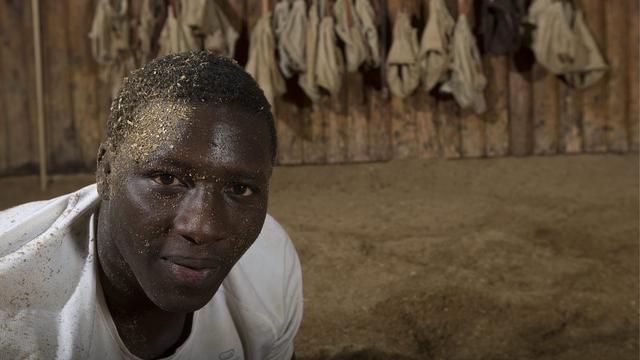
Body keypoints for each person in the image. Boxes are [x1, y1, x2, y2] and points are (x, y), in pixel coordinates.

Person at [0, 51, 303, 360]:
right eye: (167, 179)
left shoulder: (269, 265)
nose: (202, 227)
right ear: (106, 172)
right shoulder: (10, 303)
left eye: (239, 189)